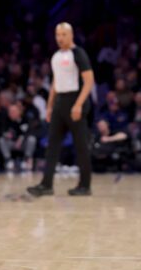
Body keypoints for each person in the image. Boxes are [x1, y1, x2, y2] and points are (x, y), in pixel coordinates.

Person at [27, 22, 95, 197]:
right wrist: (50, 106)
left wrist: (79, 104)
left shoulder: (78, 53)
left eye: (64, 34)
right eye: (58, 34)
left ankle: (85, 185)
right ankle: (46, 184)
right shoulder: (56, 56)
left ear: (71, 35)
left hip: (75, 99)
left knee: (81, 145)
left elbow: (89, 81)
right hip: (60, 102)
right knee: (52, 145)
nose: (60, 38)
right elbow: (55, 83)